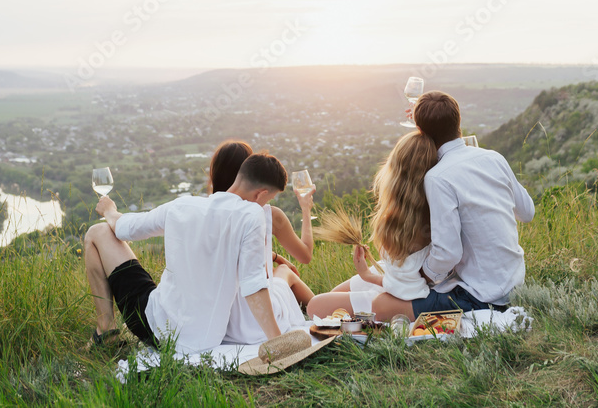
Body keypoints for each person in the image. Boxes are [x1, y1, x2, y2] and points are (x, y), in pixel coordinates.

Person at [83, 152, 287, 354]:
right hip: (202, 341)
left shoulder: (183, 205)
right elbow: (253, 286)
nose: (266, 204)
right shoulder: (252, 215)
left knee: (97, 232)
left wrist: (109, 209)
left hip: (153, 326)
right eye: (269, 199)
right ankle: (108, 334)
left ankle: (106, 330)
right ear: (260, 194)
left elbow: (125, 228)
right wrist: (278, 341)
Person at [413, 90, 535, 314]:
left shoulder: (438, 177)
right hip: (515, 285)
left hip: (481, 296)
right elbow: (527, 212)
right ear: (459, 120)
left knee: (385, 301)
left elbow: (447, 254)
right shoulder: (494, 158)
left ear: (420, 132)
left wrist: (421, 275)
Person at [307, 131, 437, 321]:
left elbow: (405, 284)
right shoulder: (429, 205)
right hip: (397, 274)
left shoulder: (400, 219)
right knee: (334, 294)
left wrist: (366, 275)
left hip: (401, 286)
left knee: (315, 307)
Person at [203, 140, 315, 344]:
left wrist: (273, 256)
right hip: (254, 320)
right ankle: (323, 311)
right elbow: (305, 255)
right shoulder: (268, 215)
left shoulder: (204, 211)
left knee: (280, 270)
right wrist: (306, 209)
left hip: (219, 318)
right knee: (287, 272)